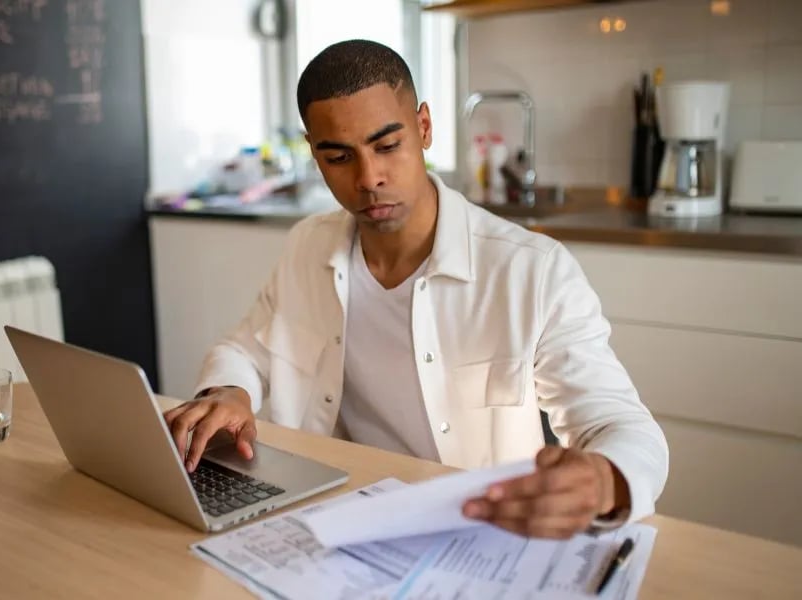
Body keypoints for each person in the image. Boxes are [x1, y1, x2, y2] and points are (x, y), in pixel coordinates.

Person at [164, 40, 668, 539]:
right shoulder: (307, 246)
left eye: (387, 146)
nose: (368, 179)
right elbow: (246, 348)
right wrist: (228, 391)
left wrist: (604, 480)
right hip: (327, 516)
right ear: (314, 153)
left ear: (424, 127)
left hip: (471, 530)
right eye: (339, 157)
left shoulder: (531, 271)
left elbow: (620, 426)